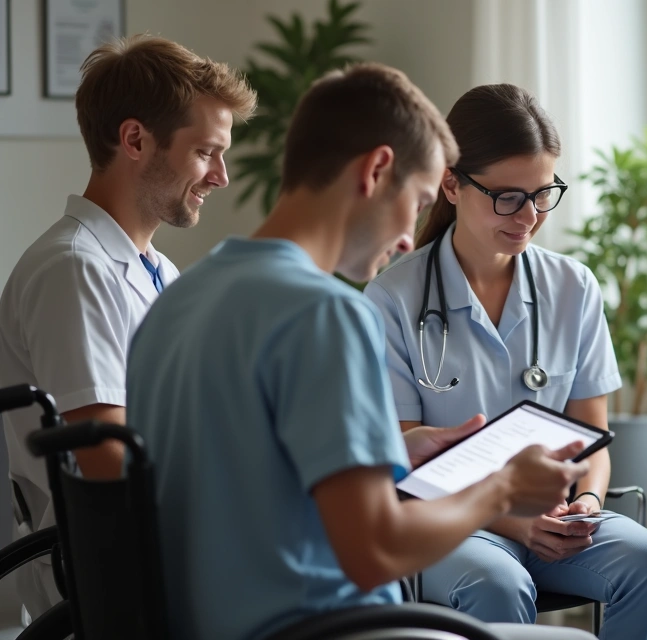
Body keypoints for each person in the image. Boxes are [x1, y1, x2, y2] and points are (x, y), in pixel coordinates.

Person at [126, 63, 596, 640]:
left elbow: (242, 471)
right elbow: (375, 550)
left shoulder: (178, 297)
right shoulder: (326, 312)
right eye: (419, 201)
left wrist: (398, 446)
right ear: (376, 170)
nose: (408, 238)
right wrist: (500, 488)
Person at [364, 83, 647, 639]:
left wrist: (583, 505)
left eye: (543, 193)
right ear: (452, 184)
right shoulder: (392, 298)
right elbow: (405, 461)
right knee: (497, 582)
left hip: (555, 520)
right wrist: (513, 518)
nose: (529, 216)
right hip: (450, 522)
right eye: (509, 196)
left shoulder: (572, 286)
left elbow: (593, 438)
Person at [0, 35, 255, 621]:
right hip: (104, 566)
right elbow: (106, 461)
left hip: (163, 539)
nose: (221, 176)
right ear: (135, 139)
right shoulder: (74, 269)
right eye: (206, 153)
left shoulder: (154, 269)